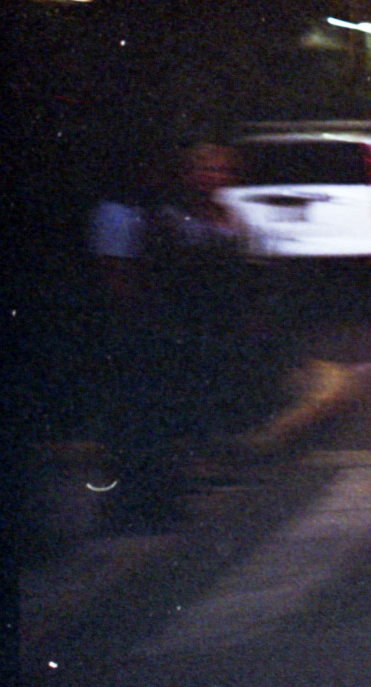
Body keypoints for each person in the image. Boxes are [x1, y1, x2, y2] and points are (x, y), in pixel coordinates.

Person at [90, 140, 260, 530]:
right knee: (140, 421)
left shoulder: (161, 215)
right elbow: (121, 277)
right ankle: (136, 506)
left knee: (158, 418)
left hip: (167, 328)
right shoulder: (120, 214)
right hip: (141, 331)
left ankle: (157, 500)